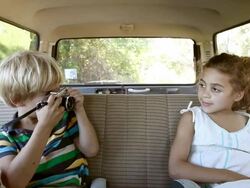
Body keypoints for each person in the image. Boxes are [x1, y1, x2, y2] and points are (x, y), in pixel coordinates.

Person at [0, 51, 99, 187]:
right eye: (49, 94)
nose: (57, 98)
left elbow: (91, 150)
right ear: (18, 99)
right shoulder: (6, 137)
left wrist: (79, 110)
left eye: (58, 90)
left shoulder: (63, 118)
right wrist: (44, 127)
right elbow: (13, 184)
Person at [169, 53, 250, 188]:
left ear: (237, 95)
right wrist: (228, 176)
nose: (205, 94)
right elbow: (176, 168)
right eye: (202, 85)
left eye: (215, 89)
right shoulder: (193, 119)